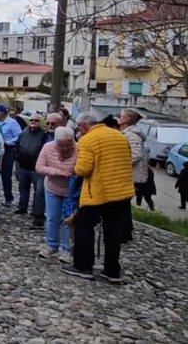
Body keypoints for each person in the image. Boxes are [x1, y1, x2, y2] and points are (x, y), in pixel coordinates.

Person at [63, 112, 134, 283]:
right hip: (121, 192)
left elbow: (84, 169)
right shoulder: (120, 136)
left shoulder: (88, 139)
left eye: (78, 127)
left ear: (83, 125)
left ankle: (83, 266)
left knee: (84, 226)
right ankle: (112, 270)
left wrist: (75, 168)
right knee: (113, 231)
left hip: (99, 192)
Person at [35, 127, 78, 262]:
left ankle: (67, 249)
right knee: (52, 218)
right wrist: (57, 172)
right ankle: (52, 245)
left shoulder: (79, 148)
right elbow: (39, 167)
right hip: (52, 187)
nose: (65, 148)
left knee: (68, 220)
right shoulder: (48, 147)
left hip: (71, 191)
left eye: (68, 144)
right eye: (61, 145)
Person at [118, 109, 149, 238]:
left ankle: (124, 233)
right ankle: (126, 231)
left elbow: (136, 155)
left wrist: (119, 165)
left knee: (122, 205)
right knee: (124, 205)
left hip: (132, 176)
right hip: (128, 175)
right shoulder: (127, 133)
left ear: (127, 119)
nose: (118, 118)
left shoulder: (133, 135)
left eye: (120, 116)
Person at [15, 113, 47, 228]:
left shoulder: (44, 135)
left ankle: (36, 212)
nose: (33, 122)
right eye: (31, 120)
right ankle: (22, 207)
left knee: (38, 192)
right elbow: (17, 146)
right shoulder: (23, 133)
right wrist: (17, 158)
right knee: (23, 188)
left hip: (36, 169)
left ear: (40, 122)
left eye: (36, 120)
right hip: (23, 166)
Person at [0, 104, 23, 207]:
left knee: (6, 174)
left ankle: (8, 197)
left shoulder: (12, 123)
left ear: (2, 113)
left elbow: (19, 136)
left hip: (8, 149)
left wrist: (8, 142)